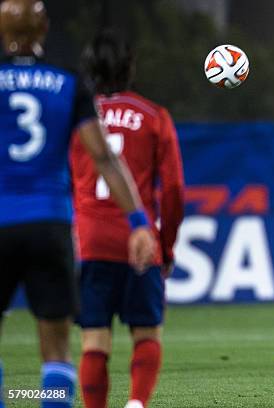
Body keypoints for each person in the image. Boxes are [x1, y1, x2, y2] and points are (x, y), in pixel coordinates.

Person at [0, 2, 156, 408]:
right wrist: (137, 220)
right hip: (49, 223)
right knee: (55, 350)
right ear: (45, 28)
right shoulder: (67, 85)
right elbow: (104, 156)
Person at [71, 30, 184, 408]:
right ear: (130, 67)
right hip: (138, 241)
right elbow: (172, 191)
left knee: (94, 339)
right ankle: (136, 403)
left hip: (90, 241)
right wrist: (165, 246)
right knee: (146, 332)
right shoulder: (153, 116)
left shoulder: (76, 121)